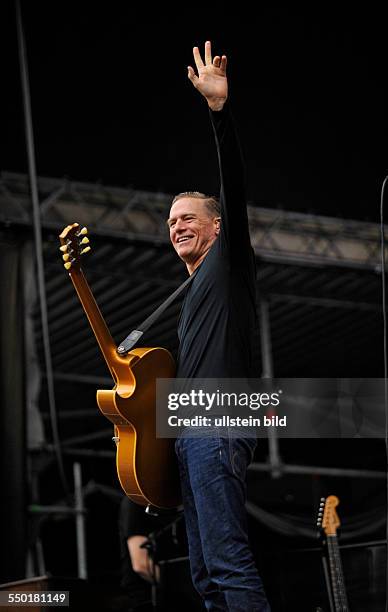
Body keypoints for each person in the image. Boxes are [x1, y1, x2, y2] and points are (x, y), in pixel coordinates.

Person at [167, 42, 271, 611]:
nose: (176, 226)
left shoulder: (228, 260)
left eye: (187, 218)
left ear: (215, 227)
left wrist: (219, 113)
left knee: (229, 566)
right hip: (192, 430)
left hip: (220, 418)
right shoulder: (189, 289)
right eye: (171, 222)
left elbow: (233, 180)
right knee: (206, 577)